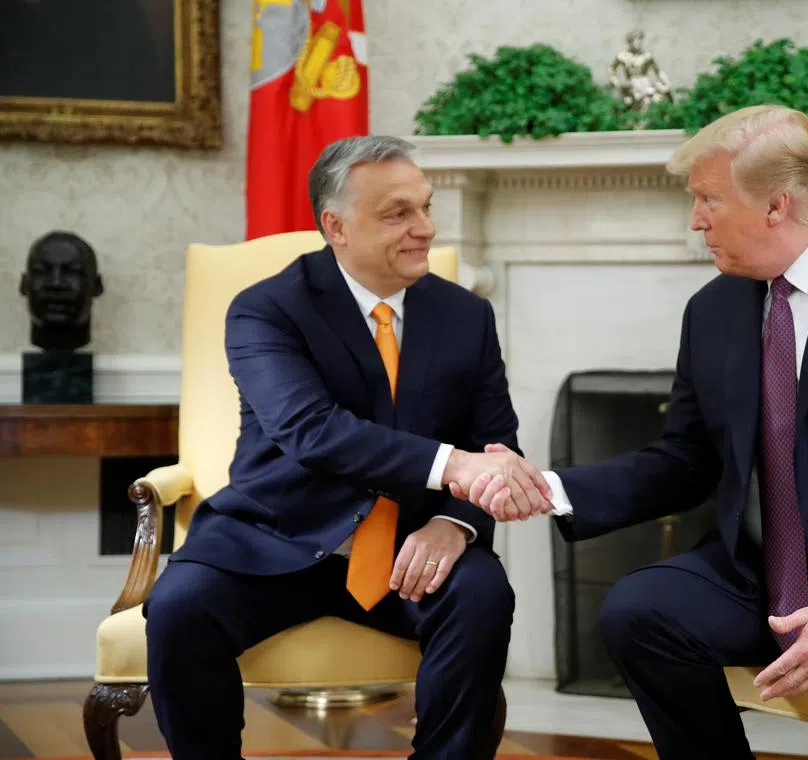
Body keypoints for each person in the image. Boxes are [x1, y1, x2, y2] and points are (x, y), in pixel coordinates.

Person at [458, 105, 808, 760]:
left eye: (708, 199)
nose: (695, 220)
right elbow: (686, 459)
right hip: (774, 573)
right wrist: (550, 488)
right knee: (639, 611)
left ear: (776, 205)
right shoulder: (713, 309)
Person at [143, 135, 552, 760]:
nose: (425, 228)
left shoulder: (467, 316)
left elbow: (495, 444)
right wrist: (456, 466)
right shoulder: (266, 309)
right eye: (397, 213)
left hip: (410, 546)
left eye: (425, 206)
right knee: (178, 609)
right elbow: (311, 430)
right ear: (335, 226)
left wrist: (454, 522)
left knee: (482, 595)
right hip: (275, 536)